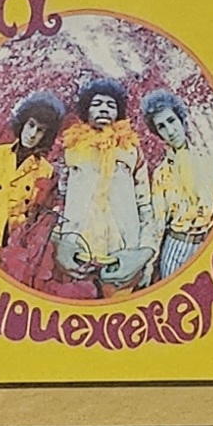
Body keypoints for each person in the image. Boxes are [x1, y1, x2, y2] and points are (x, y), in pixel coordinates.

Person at [52, 78, 156, 296]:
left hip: (121, 256)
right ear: (86, 110)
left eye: (111, 105)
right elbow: (57, 201)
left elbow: (145, 206)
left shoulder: (131, 150)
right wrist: (58, 243)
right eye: (97, 104)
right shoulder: (70, 149)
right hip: (78, 255)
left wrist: (144, 252)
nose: (104, 109)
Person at [0, 92, 65, 282]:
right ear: (22, 123)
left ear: (45, 135)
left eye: (40, 130)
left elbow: (35, 211)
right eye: (31, 125)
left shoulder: (45, 169)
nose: (32, 134)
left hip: (13, 244)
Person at [142, 90, 213, 281]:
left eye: (171, 121)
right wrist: (148, 267)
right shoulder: (162, 174)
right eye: (162, 127)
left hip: (207, 245)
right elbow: (157, 223)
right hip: (176, 248)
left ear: (181, 120)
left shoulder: (207, 160)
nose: (170, 131)